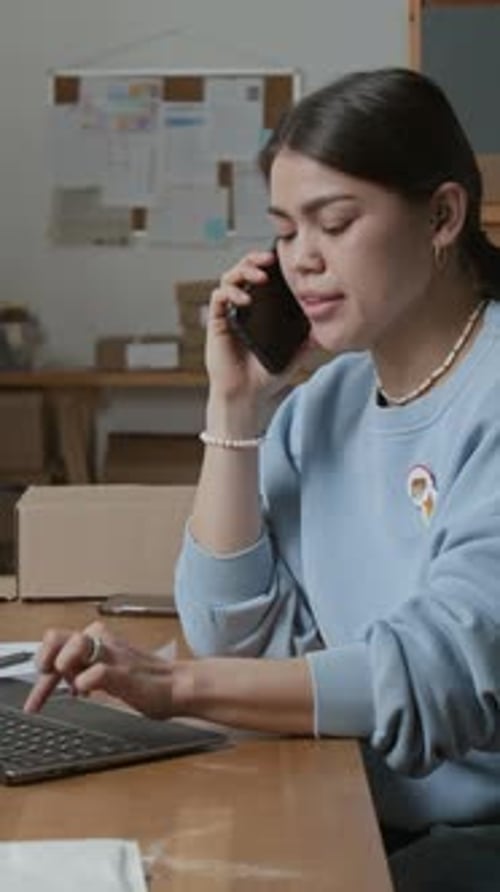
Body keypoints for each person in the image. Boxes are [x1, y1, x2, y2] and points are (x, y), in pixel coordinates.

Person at [25, 68, 500, 889]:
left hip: (471, 834)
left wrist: (176, 686)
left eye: (335, 223)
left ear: (442, 216)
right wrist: (236, 406)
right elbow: (232, 633)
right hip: (345, 789)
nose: (302, 260)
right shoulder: (326, 402)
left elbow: (438, 673)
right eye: (284, 232)